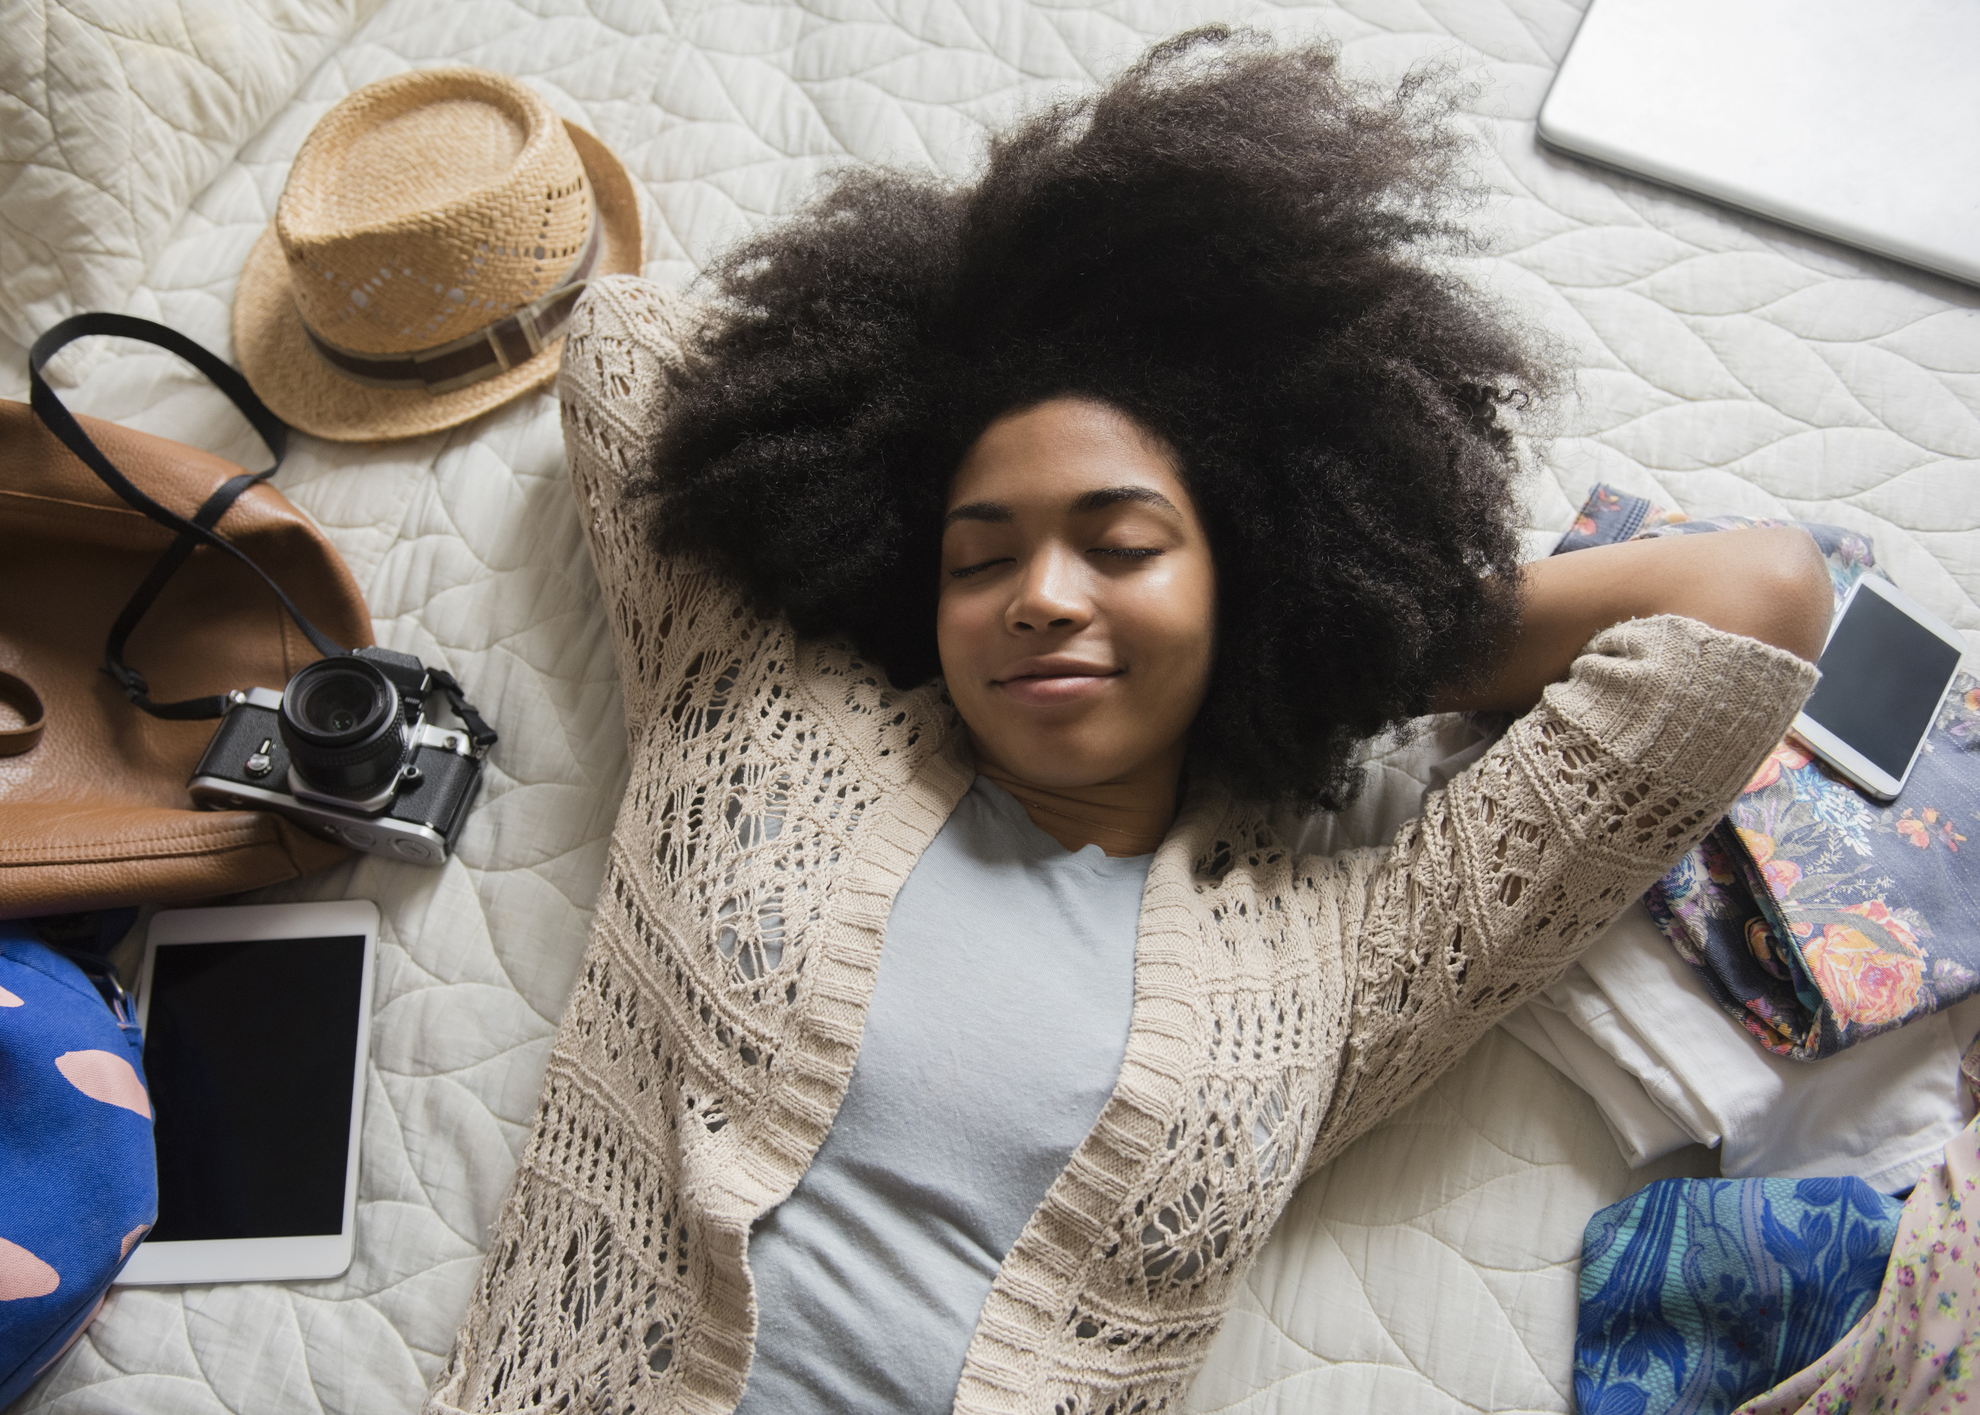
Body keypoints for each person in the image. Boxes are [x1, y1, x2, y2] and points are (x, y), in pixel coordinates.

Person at [425, 29, 1833, 1415]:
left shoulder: (1333, 967)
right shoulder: (761, 723)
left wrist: (1320, 637)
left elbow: (1757, 595)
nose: (1039, 594)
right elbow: (622, 344)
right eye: (980, 559)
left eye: (1120, 547)